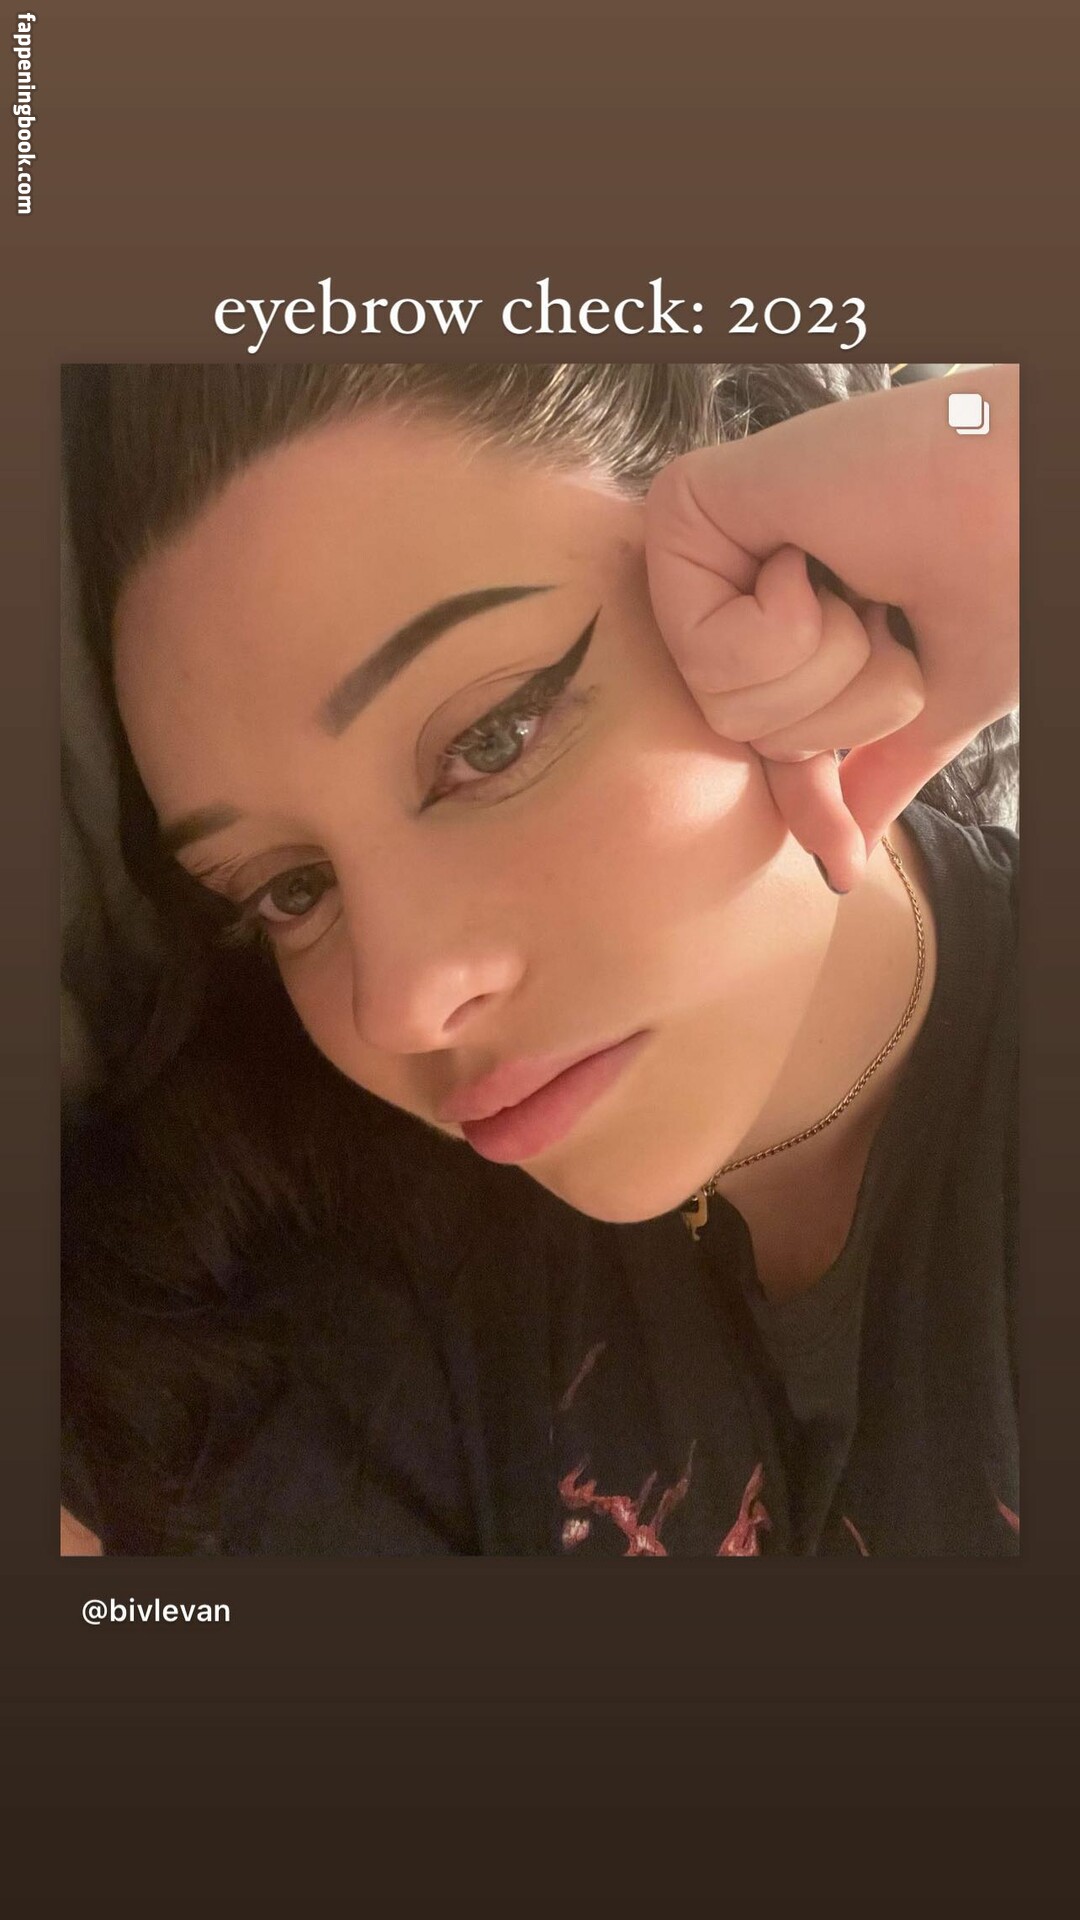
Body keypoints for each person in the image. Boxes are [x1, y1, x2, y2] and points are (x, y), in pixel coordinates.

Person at [60, 361, 1018, 1558]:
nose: (402, 1005)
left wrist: (1010, 442)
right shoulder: (347, 1291)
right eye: (291, 890)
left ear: (802, 563)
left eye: (493, 737)